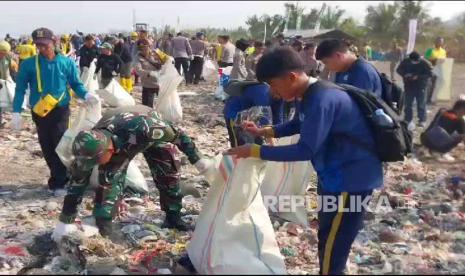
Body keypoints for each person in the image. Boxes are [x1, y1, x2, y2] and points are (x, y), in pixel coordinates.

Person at [225, 46, 383, 275]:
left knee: (335, 241)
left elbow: (305, 149)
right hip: (332, 174)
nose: (274, 92)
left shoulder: (322, 98)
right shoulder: (308, 94)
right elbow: (298, 124)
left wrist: (255, 151)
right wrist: (264, 132)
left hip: (351, 179)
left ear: (291, 76)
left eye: (274, 85)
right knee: (327, 233)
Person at [51, 104, 212, 242]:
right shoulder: (88, 148)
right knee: (108, 184)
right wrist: (66, 219)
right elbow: (77, 184)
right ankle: (105, 226)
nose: (92, 166)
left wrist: (197, 159)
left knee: (168, 174)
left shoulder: (145, 128)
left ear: (108, 149)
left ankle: (173, 217)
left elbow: (178, 135)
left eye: (96, 161)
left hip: (147, 131)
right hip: (119, 142)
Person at [12, 27, 98, 196]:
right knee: (47, 145)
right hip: (40, 111)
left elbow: (75, 84)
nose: (42, 48)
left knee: (60, 142)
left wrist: (87, 95)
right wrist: (16, 111)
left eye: (45, 45)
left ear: (54, 42)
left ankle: (60, 181)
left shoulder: (66, 63)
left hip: (60, 110)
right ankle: (58, 177)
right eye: (38, 45)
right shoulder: (29, 64)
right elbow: (20, 88)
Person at [223, 82, 283, 148]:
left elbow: (277, 118)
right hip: (234, 113)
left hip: (252, 115)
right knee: (239, 144)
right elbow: (265, 123)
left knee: (258, 144)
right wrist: (273, 146)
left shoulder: (280, 97)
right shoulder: (263, 95)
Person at [316, 39, 382, 97]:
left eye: (326, 62)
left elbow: (362, 104)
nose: (327, 67)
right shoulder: (342, 70)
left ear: (338, 55)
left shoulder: (362, 71)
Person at [396, 51, 433, 129]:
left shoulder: (425, 63)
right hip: (409, 86)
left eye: (416, 61)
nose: (415, 62)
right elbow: (398, 70)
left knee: (421, 104)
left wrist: (418, 77)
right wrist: (405, 74)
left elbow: (430, 74)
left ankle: (422, 121)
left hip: (421, 86)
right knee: (408, 104)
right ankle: (408, 120)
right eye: (413, 61)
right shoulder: (405, 61)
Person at [133, 38, 163, 108]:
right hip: (148, 85)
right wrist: (150, 73)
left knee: (164, 105)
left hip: (161, 83)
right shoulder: (137, 58)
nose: (144, 50)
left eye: (146, 48)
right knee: (147, 108)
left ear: (149, 46)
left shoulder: (157, 53)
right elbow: (138, 70)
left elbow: (166, 60)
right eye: (141, 48)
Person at [0, 40, 18, 127]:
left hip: (3, 83)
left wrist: (14, 78)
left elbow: (13, 66)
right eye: (1, 53)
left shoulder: (7, 57)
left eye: (4, 53)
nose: (2, 55)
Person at [425, 37, 447, 105]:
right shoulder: (430, 50)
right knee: (429, 85)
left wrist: (441, 61)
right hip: (430, 70)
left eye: (441, 42)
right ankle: (427, 100)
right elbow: (425, 59)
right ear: (435, 42)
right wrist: (433, 60)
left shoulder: (443, 51)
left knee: (437, 85)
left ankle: (432, 99)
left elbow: (444, 60)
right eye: (439, 41)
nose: (440, 43)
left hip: (439, 70)